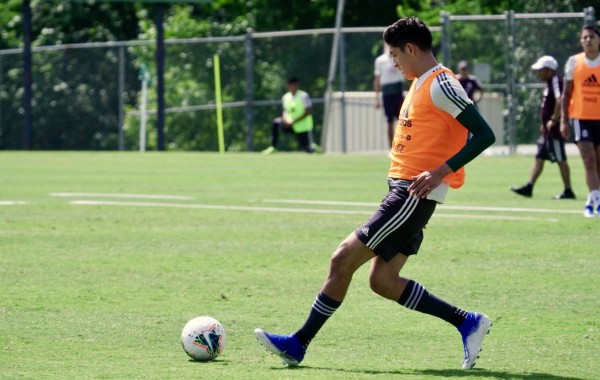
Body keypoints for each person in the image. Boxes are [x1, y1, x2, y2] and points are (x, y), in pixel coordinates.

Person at [255, 16, 496, 370]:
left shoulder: (442, 83)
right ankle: (467, 321)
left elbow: (485, 134)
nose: (393, 63)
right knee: (383, 281)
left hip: (412, 195)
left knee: (341, 260)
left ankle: (298, 343)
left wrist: (442, 170)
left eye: (395, 55)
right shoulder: (421, 81)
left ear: (411, 49)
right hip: (407, 193)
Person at [510, 55, 576, 200]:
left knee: (560, 159)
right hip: (547, 130)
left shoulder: (556, 81)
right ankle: (529, 187)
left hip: (555, 130)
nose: (538, 73)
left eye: (540, 70)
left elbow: (560, 99)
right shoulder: (549, 83)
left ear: (549, 70)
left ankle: (568, 190)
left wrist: (554, 119)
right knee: (539, 158)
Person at [561, 26, 600, 217]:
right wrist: (563, 120)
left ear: (598, 40)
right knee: (589, 160)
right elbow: (566, 93)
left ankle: (591, 199)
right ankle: (597, 203)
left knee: (598, 162)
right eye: (584, 37)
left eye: (591, 37)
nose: (588, 40)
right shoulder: (574, 62)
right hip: (581, 118)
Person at [262, 77, 319, 154]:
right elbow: (286, 110)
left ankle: (314, 147)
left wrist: (294, 122)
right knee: (276, 122)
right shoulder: (286, 97)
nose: (293, 87)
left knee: (307, 149)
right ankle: (273, 147)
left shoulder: (303, 96)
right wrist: (285, 120)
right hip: (290, 124)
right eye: (291, 85)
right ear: (288, 86)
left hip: (302, 126)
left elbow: (307, 112)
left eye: (295, 85)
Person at [374, 43, 406, 147]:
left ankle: (404, 145)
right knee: (389, 122)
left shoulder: (399, 57)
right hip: (387, 93)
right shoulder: (380, 61)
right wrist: (376, 98)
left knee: (403, 121)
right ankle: (391, 147)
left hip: (398, 91)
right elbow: (377, 79)